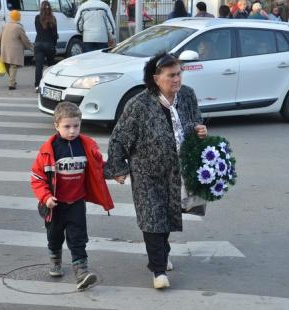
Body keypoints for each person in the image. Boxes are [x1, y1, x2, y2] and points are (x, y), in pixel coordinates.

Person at [104, 53, 207, 289]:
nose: (177, 79)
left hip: (176, 169)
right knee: (152, 217)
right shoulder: (139, 104)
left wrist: (200, 131)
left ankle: (162, 252)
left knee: (168, 215)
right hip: (146, 172)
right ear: (156, 78)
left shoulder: (187, 95)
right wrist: (118, 168)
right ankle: (158, 270)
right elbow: (119, 138)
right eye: (171, 75)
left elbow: (195, 122)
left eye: (179, 74)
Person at [30, 101, 114, 290]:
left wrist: (116, 173)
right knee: (55, 235)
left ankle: (81, 272)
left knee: (78, 237)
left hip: (76, 202)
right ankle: (55, 258)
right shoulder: (48, 151)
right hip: (55, 204)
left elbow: (98, 167)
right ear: (56, 126)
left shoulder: (86, 146)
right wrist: (46, 197)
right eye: (66, 126)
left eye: (76, 126)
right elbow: (37, 178)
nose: (72, 131)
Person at [0, 10, 33, 90]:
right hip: (14, 51)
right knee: (13, 66)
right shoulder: (19, 27)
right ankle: (11, 84)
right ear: (18, 17)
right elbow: (25, 39)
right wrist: (32, 48)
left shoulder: (5, 26)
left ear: (11, 17)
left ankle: (12, 80)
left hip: (5, 50)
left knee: (7, 65)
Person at [34, 1, 58, 92]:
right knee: (51, 65)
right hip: (49, 44)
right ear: (50, 8)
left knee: (38, 66)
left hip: (38, 44)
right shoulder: (53, 18)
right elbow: (55, 34)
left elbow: (38, 30)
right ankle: (50, 84)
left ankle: (37, 85)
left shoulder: (37, 18)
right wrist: (54, 45)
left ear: (41, 8)